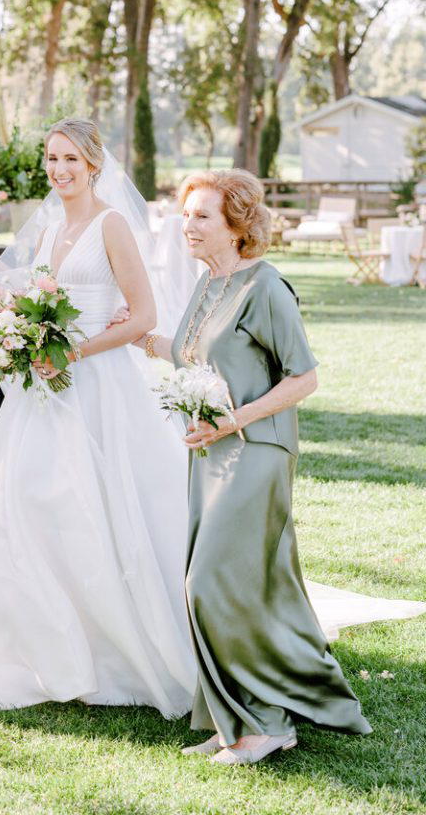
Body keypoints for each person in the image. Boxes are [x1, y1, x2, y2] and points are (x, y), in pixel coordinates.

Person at [0, 117, 197, 717]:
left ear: (93, 165)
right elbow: (20, 293)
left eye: (70, 161)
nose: (58, 171)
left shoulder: (111, 224)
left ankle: (112, 648)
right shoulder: (53, 225)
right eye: (51, 160)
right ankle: (43, 644)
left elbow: (143, 316)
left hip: (98, 386)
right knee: (28, 505)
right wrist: (17, 337)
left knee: (97, 509)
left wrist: (69, 354)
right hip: (42, 391)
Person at [132, 169, 372, 764]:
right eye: (186, 215)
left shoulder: (264, 285)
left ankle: (268, 724)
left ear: (237, 225)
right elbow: (192, 350)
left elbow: (305, 378)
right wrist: (136, 338)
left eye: (202, 216)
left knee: (210, 583)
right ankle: (234, 722)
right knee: (226, 588)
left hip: (257, 453)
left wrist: (233, 421)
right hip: (209, 455)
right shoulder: (208, 283)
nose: (188, 225)